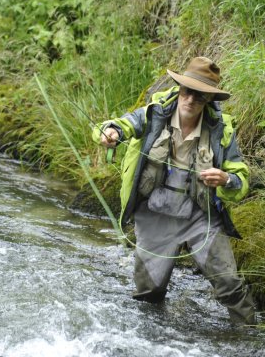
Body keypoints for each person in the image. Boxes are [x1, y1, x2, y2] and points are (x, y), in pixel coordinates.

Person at [93, 56, 256, 325]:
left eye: (200, 95)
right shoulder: (155, 113)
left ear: (208, 100)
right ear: (180, 89)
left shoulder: (221, 129)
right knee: (149, 294)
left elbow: (240, 178)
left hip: (199, 218)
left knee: (230, 285)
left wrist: (226, 179)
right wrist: (110, 132)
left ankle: (249, 338)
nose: (191, 99)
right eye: (187, 91)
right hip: (156, 214)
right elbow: (124, 124)